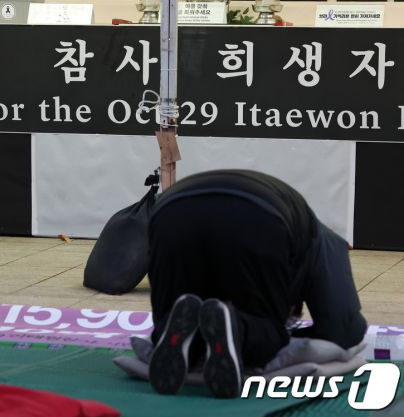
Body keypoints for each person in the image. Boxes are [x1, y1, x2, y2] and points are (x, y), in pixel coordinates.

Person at [146, 170, 367, 398]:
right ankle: (238, 328)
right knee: (266, 332)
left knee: (172, 316)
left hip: (169, 214)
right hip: (258, 214)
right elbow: (345, 328)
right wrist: (286, 335)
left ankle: (175, 337)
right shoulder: (319, 237)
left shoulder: (301, 228)